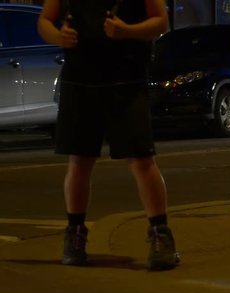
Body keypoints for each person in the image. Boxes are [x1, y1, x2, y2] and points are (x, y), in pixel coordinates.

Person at [38, 0, 179, 270]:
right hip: (80, 78)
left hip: (126, 79)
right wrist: (58, 36)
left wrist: (126, 31)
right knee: (79, 159)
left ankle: (161, 235)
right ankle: (74, 234)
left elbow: (160, 21)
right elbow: (45, 20)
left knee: (141, 158)